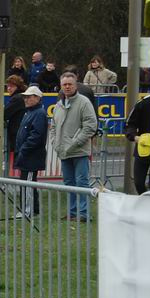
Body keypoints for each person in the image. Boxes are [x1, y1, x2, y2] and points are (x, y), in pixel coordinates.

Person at [53, 72, 98, 222]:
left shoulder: (84, 102)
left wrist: (76, 142)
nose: (67, 87)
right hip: (64, 151)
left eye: (70, 84)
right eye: (64, 84)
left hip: (79, 151)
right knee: (69, 183)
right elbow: (53, 126)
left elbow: (91, 126)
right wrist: (55, 142)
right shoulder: (59, 105)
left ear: (75, 84)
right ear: (61, 85)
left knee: (82, 182)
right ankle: (72, 213)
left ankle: (83, 214)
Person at [14, 86, 48, 217]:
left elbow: (36, 135)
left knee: (27, 183)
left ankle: (28, 210)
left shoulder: (39, 113)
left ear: (37, 98)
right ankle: (32, 209)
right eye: (25, 97)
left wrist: (24, 149)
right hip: (27, 154)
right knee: (28, 182)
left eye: (29, 97)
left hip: (31, 155)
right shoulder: (29, 112)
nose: (26, 99)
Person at [125, 92, 150, 194]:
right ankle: (145, 202)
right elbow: (130, 124)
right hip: (143, 149)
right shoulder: (143, 103)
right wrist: (134, 136)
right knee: (138, 183)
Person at [4, 75, 27, 156]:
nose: (9, 88)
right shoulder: (22, 96)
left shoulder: (17, 98)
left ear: (18, 87)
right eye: (8, 86)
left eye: (12, 86)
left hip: (17, 132)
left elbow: (5, 113)